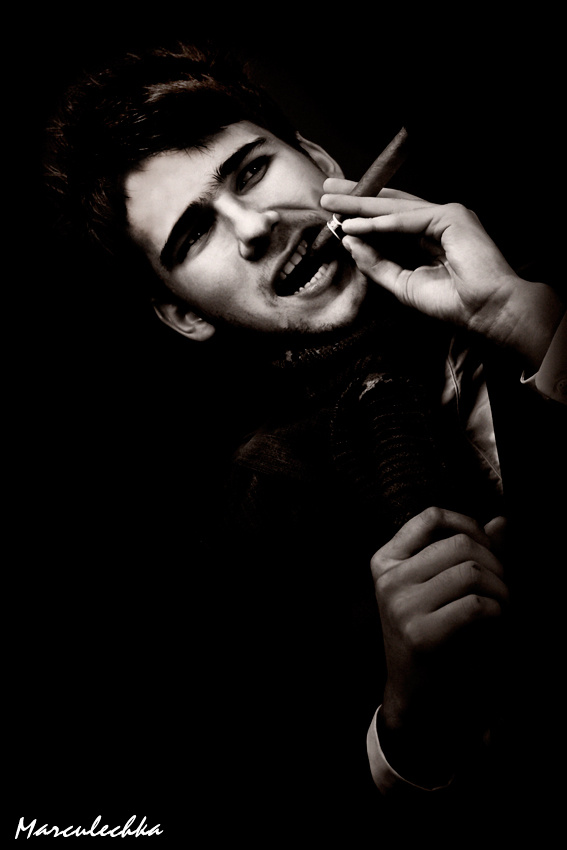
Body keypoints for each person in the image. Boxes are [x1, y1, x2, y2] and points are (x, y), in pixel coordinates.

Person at [42, 41, 565, 841]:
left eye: (251, 171)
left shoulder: (549, 286)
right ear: (181, 312)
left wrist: (534, 329)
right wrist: (407, 728)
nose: (256, 228)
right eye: (193, 234)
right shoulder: (244, 537)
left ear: (317, 159)